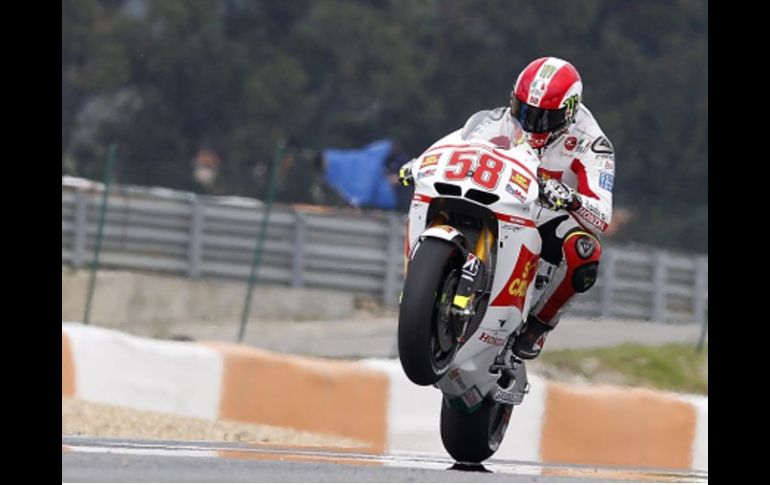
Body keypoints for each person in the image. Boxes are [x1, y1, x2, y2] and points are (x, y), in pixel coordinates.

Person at [399, 57, 615, 360]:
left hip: (545, 212)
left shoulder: (592, 144)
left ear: (569, 112)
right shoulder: (499, 119)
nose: (530, 122)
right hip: (497, 197)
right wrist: (421, 162)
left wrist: (569, 197)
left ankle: (538, 326)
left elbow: (601, 217)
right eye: (523, 110)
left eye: (544, 117)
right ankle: (423, 287)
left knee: (585, 252)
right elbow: (459, 142)